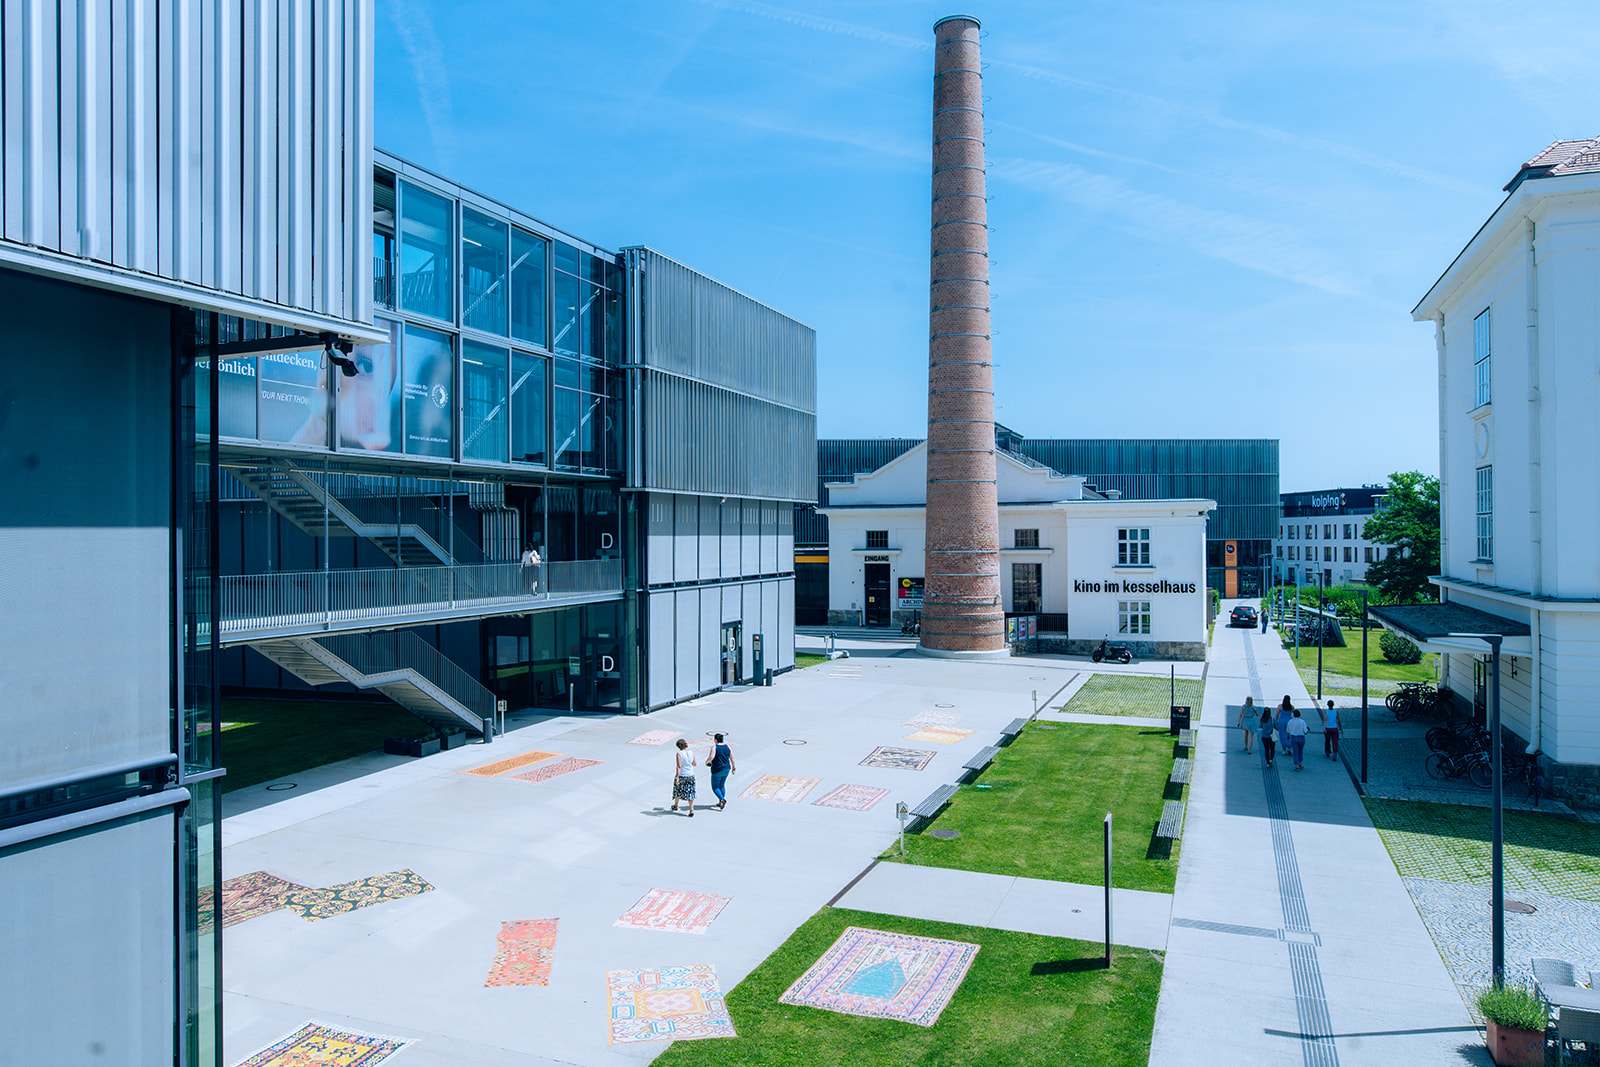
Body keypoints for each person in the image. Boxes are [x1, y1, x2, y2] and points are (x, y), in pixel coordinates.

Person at [707, 733, 736, 810]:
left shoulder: (715, 747)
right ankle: (721, 802)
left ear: (716, 740)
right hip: (726, 768)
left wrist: (707, 762)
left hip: (717, 769)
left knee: (715, 787)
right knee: (722, 785)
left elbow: (711, 757)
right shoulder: (728, 747)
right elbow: (732, 758)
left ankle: (722, 799)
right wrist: (734, 767)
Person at [670, 738, 697, 816]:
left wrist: (677, 777)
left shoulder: (679, 754)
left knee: (677, 790)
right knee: (690, 791)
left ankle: (676, 805)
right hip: (691, 774)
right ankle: (691, 809)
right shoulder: (691, 752)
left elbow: (679, 766)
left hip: (683, 774)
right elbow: (694, 763)